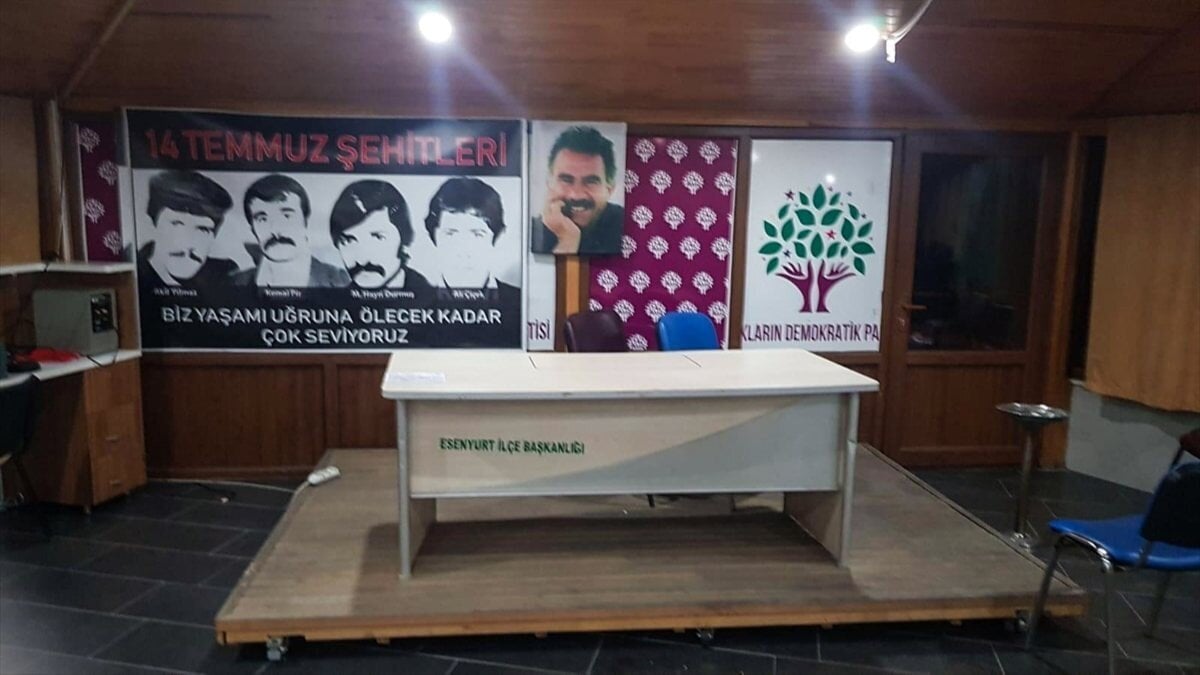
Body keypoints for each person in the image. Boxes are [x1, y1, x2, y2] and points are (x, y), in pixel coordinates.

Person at [231, 174, 349, 288]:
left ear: (305, 221)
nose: (275, 230)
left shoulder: (342, 281)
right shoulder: (233, 283)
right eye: (263, 219)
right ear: (252, 229)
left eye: (287, 216)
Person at [530, 126, 624, 255]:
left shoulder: (626, 227)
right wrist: (568, 240)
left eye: (590, 181)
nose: (576, 195)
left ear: (610, 189)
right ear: (549, 184)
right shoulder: (531, 232)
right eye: (566, 180)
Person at [137, 170, 237, 288]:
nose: (188, 244)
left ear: (213, 237)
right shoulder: (133, 274)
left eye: (203, 230)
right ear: (152, 226)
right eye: (176, 224)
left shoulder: (226, 276)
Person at [424, 177, 517, 298]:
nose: (463, 251)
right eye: (450, 234)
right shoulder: (414, 303)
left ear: (497, 240)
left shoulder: (518, 300)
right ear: (434, 239)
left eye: (477, 235)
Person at [329, 179, 430, 290]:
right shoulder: (334, 299)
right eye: (348, 241)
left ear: (404, 243)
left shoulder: (431, 295)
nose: (362, 260)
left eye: (378, 238)